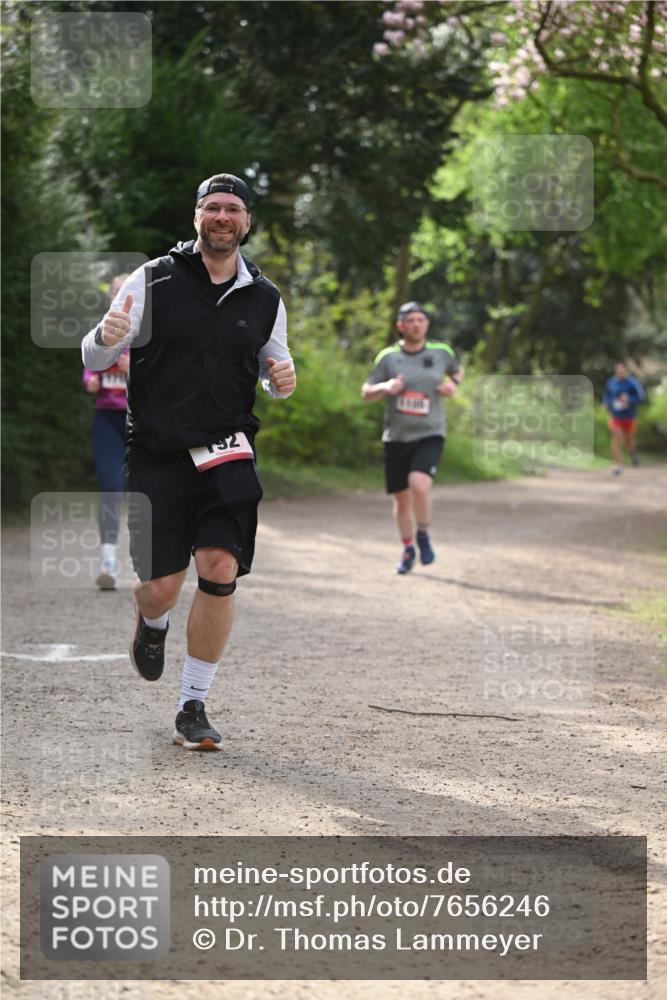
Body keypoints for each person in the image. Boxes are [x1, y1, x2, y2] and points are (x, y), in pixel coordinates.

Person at [81, 173, 296, 751]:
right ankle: (151, 622)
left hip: (227, 449)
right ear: (197, 217)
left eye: (233, 209)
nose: (223, 217)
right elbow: (96, 352)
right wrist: (107, 333)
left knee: (221, 567)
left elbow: (276, 370)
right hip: (156, 452)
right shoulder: (152, 279)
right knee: (161, 587)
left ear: (247, 221)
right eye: (212, 207)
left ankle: (192, 705)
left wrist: (283, 380)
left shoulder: (266, 297)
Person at [361, 301, 463, 574]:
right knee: (402, 498)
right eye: (411, 320)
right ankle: (408, 549)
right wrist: (386, 387)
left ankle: (423, 534)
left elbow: (457, 370)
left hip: (430, 433)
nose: (416, 324)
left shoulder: (441, 352)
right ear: (401, 326)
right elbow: (366, 391)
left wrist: (452, 385)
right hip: (396, 436)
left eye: (421, 320)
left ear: (426, 324)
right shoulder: (388, 357)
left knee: (419, 484)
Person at [83, 274, 130, 590]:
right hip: (107, 421)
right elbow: (89, 370)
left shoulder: (149, 332)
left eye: (125, 293)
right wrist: (91, 381)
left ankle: (155, 566)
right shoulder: (101, 330)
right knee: (111, 489)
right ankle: (108, 562)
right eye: (115, 292)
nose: (120, 297)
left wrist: (134, 370)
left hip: (143, 423)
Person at [603, 361, 646, 476]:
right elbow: (607, 395)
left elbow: (641, 398)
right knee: (617, 439)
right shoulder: (611, 382)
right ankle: (617, 465)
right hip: (616, 416)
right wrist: (606, 403)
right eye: (617, 371)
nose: (619, 373)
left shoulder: (633, 382)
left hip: (630, 417)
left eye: (622, 371)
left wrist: (629, 400)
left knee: (629, 441)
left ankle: (633, 454)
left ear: (626, 371)